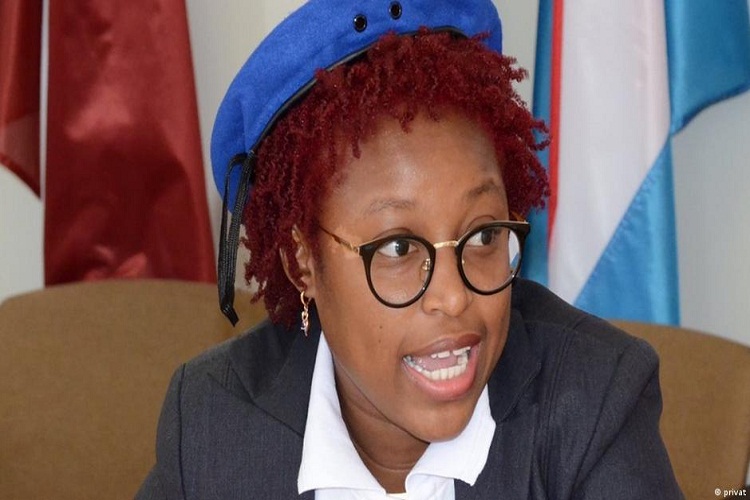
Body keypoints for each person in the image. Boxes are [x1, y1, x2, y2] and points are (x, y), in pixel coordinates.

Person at [137, 0, 683, 498]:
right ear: (302, 262)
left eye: (483, 236)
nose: (453, 296)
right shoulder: (212, 424)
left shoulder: (592, 402)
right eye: (398, 247)